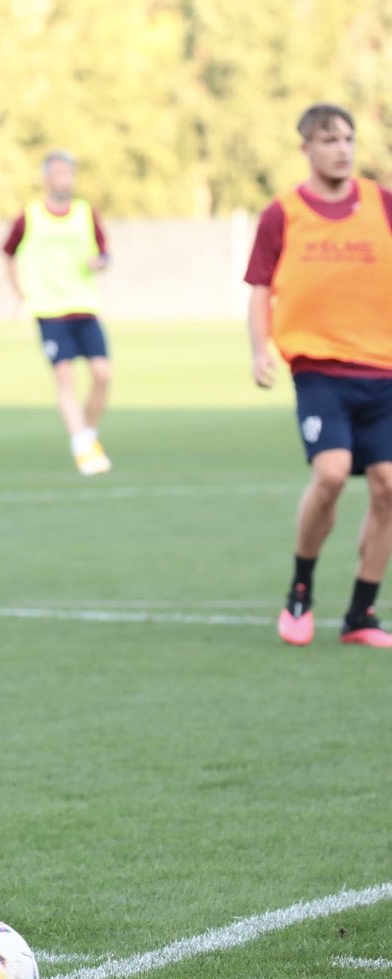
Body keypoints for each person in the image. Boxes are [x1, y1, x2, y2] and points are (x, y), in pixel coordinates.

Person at [245, 102, 392, 649]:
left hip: (384, 370)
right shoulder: (282, 213)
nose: (342, 149)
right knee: (331, 475)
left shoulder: (382, 204)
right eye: (329, 140)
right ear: (306, 148)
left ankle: (361, 614)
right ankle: (300, 591)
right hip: (320, 370)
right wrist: (261, 348)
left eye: (348, 139)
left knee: (389, 487)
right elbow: (260, 288)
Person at [3, 150, 114, 476]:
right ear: (47, 177)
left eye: (69, 173)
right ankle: (81, 446)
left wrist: (101, 263)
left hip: (84, 305)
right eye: (59, 173)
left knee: (103, 374)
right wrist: (20, 294)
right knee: (65, 378)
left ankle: (88, 434)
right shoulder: (30, 215)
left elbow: (106, 253)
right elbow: (7, 253)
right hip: (49, 309)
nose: (64, 179)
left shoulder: (85, 213)